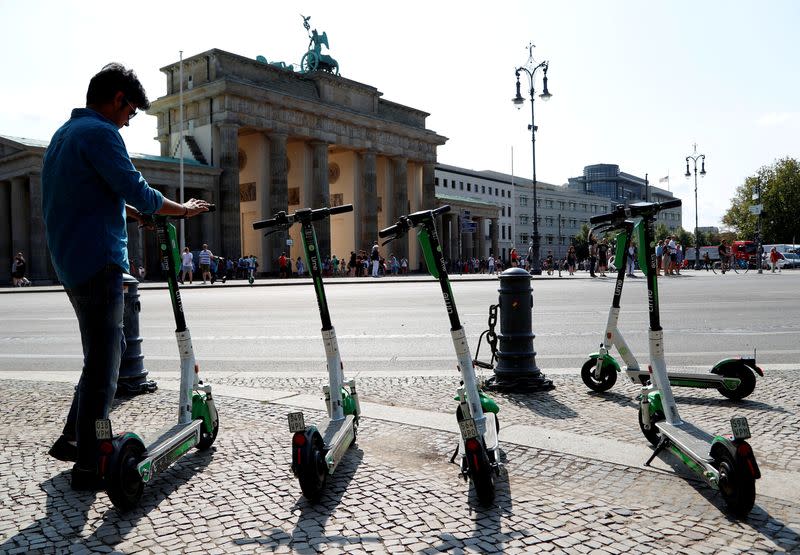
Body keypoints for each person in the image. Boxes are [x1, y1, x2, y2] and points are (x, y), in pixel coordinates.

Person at [41, 63, 210, 490]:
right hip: (99, 260)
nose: (128, 121)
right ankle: (91, 461)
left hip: (71, 260)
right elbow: (136, 188)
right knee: (106, 361)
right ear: (117, 99)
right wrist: (184, 210)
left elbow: (100, 190)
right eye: (130, 112)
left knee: (99, 352)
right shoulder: (101, 134)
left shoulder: (64, 135)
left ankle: (71, 437)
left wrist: (134, 215)